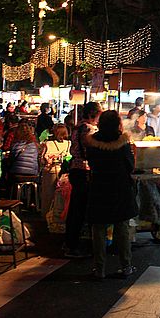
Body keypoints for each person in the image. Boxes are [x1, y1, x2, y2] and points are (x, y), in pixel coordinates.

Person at [83, 110, 137, 279]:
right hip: (120, 188)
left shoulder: (92, 142)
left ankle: (99, 270)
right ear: (117, 124)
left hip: (99, 187)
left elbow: (90, 163)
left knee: (98, 229)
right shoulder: (123, 142)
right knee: (122, 228)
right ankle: (126, 266)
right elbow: (130, 165)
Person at [64, 102, 101, 258]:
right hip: (84, 171)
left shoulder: (78, 127)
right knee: (79, 210)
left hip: (75, 169)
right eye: (99, 114)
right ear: (93, 114)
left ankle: (70, 243)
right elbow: (89, 152)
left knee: (75, 209)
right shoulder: (89, 129)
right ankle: (73, 246)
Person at [41, 124, 70, 214]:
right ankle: (59, 216)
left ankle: (47, 215)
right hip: (65, 173)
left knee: (49, 195)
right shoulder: (69, 143)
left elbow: (42, 160)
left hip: (51, 171)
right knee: (62, 196)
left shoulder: (48, 144)